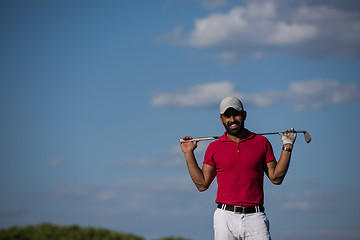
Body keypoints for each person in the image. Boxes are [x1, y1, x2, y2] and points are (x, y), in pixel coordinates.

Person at [179, 96, 297, 240]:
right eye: (227, 116)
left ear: (244, 115)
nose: (232, 119)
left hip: (256, 217)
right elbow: (202, 184)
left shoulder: (261, 142)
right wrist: (188, 153)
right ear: (221, 119)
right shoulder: (214, 147)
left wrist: (287, 145)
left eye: (236, 114)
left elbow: (276, 178)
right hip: (225, 217)